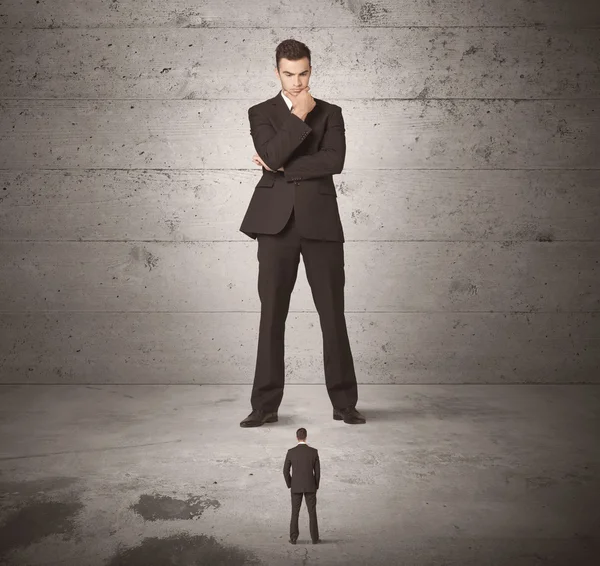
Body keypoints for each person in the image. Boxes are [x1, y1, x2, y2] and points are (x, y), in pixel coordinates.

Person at [239, 39, 366, 427]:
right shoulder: (260, 112)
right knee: (271, 316)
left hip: (321, 224)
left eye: (304, 73)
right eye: (289, 74)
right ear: (277, 72)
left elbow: (335, 160)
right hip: (274, 226)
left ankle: (344, 403)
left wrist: (282, 166)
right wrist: (299, 115)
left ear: (312, 70)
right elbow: (272, 153)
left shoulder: (332, 113)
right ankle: (264, 406)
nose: (297, 81)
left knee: (333, 315)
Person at [283, 428, 321, 544]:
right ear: (306, 437)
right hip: (310, 486)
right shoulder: (313, 452)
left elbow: (285, 471)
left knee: (295, 512)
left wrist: (290, 484)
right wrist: (315, 485)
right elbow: (318, 472)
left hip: (296, 486)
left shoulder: (291, 452)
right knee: (312, 512)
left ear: (297, 437)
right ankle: (315, 538)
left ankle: (293, 538)